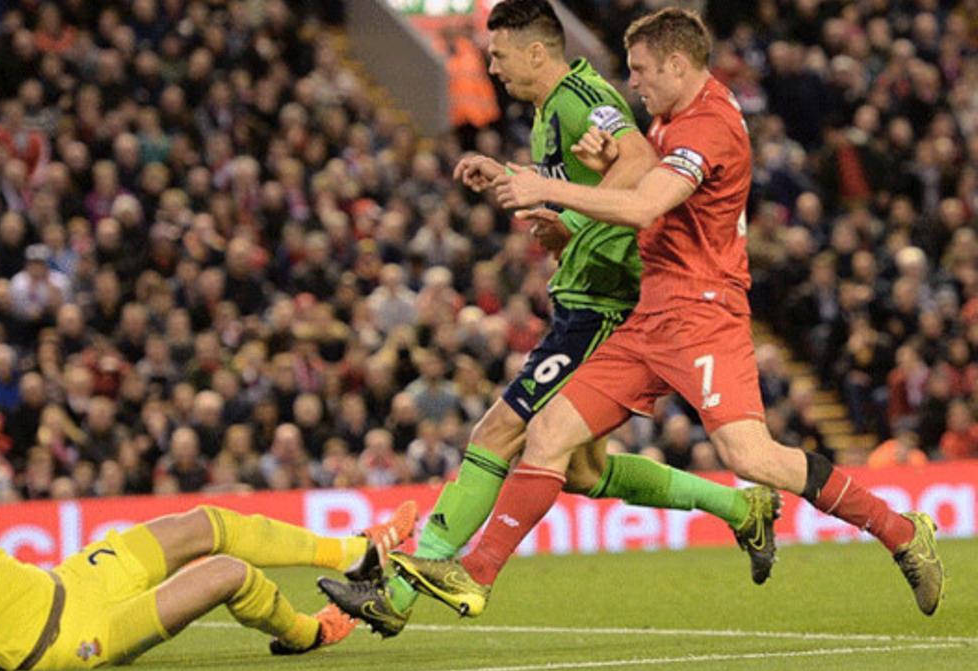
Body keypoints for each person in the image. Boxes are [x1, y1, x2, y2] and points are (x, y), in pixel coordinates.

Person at [390, 7, 943, 619]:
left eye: (642, 71)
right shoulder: (672, 118)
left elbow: (645, 206)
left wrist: (545, 188)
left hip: (703, 314)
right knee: (547, 435)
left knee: (751, 457)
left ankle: (899, 531)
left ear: (678, 65)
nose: (635, 84)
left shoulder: (706, 126)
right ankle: (476, 574)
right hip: (651, 314)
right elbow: (635, 185)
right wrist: (587, 174)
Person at [320, 0, 779, 638]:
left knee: (498, 433)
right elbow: (596, 185)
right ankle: (741, 506)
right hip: (583, 295)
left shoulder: (579, 97)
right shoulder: (546, 112)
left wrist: (562, 208)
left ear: (537, 52)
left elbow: (637, 168)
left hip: (603, 303)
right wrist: (528, 187)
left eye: (499, 53)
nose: (490, 65)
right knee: (583, 470)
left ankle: (398, 591)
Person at [0, 318, 418, 670]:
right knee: (229, 572)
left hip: (67, 585)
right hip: (60, 645)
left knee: (201, 522)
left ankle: (354, 557)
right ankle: (309, 633)